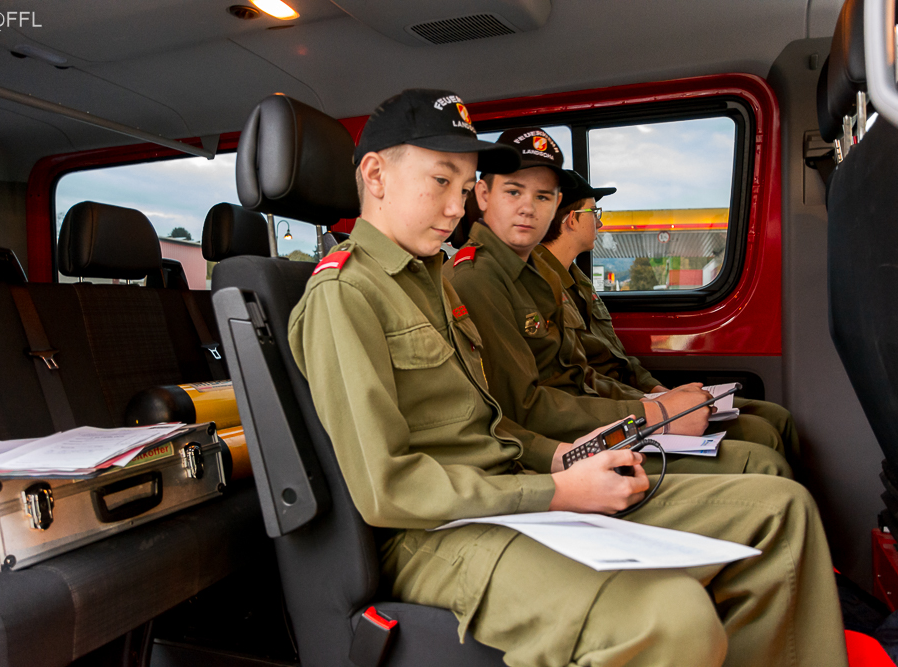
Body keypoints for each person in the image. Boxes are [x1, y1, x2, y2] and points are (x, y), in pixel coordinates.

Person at [287, 88, 846, 667]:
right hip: (434, 532)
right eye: (441, 181)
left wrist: (563, 457)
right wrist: (555, 491)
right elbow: (389, 489)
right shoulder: (345, 294)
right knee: (671, 615)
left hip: (512, 487)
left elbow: (490, 424)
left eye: (464, 187)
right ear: (375, 175)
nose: (456, 208)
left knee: (781, 512)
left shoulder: (431, 280)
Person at [444, 128, 790, 476]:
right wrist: (653, 413)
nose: (528, 208)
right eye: (513, 192)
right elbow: (524, 410)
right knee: (761, 459)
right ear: (484, 195)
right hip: (560, 448)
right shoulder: (476, 279)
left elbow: (579, 374)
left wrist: (655, 400)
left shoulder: (537, 271)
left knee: (767, 429)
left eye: (543, 196)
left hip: (594, 425)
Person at [533, 171, 801, 467]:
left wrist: (657, 390)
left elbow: (616, 358)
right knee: (763, 438)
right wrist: (653, 406)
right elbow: (581, 378)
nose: (600, 223)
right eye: (594, 212)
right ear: (572, 220)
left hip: (630, 400)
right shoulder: (538, 288)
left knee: (776, 417)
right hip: (610, 413)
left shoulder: (577, 279)